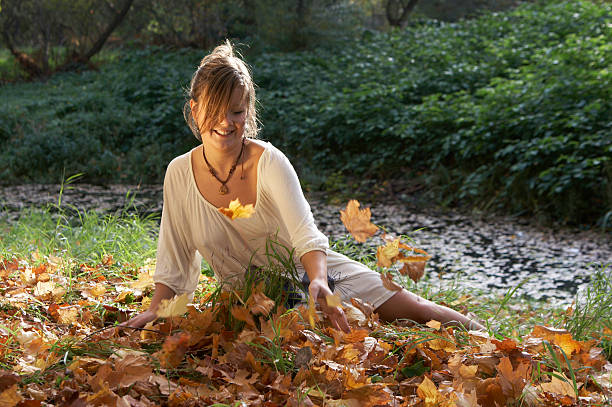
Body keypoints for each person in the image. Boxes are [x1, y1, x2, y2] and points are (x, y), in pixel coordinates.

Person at [122, 41, 485, 332]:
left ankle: (484, 334)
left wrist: (319, 283)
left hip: (313, 277)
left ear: (247, 112)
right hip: (255, 301)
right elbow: (174, 257)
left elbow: (305, 235)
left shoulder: (269, 162)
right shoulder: (179, 173)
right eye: (215, 109)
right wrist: (156, 311)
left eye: (235, 111)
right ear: (195, 109)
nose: (226, 122)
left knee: (412, 309)